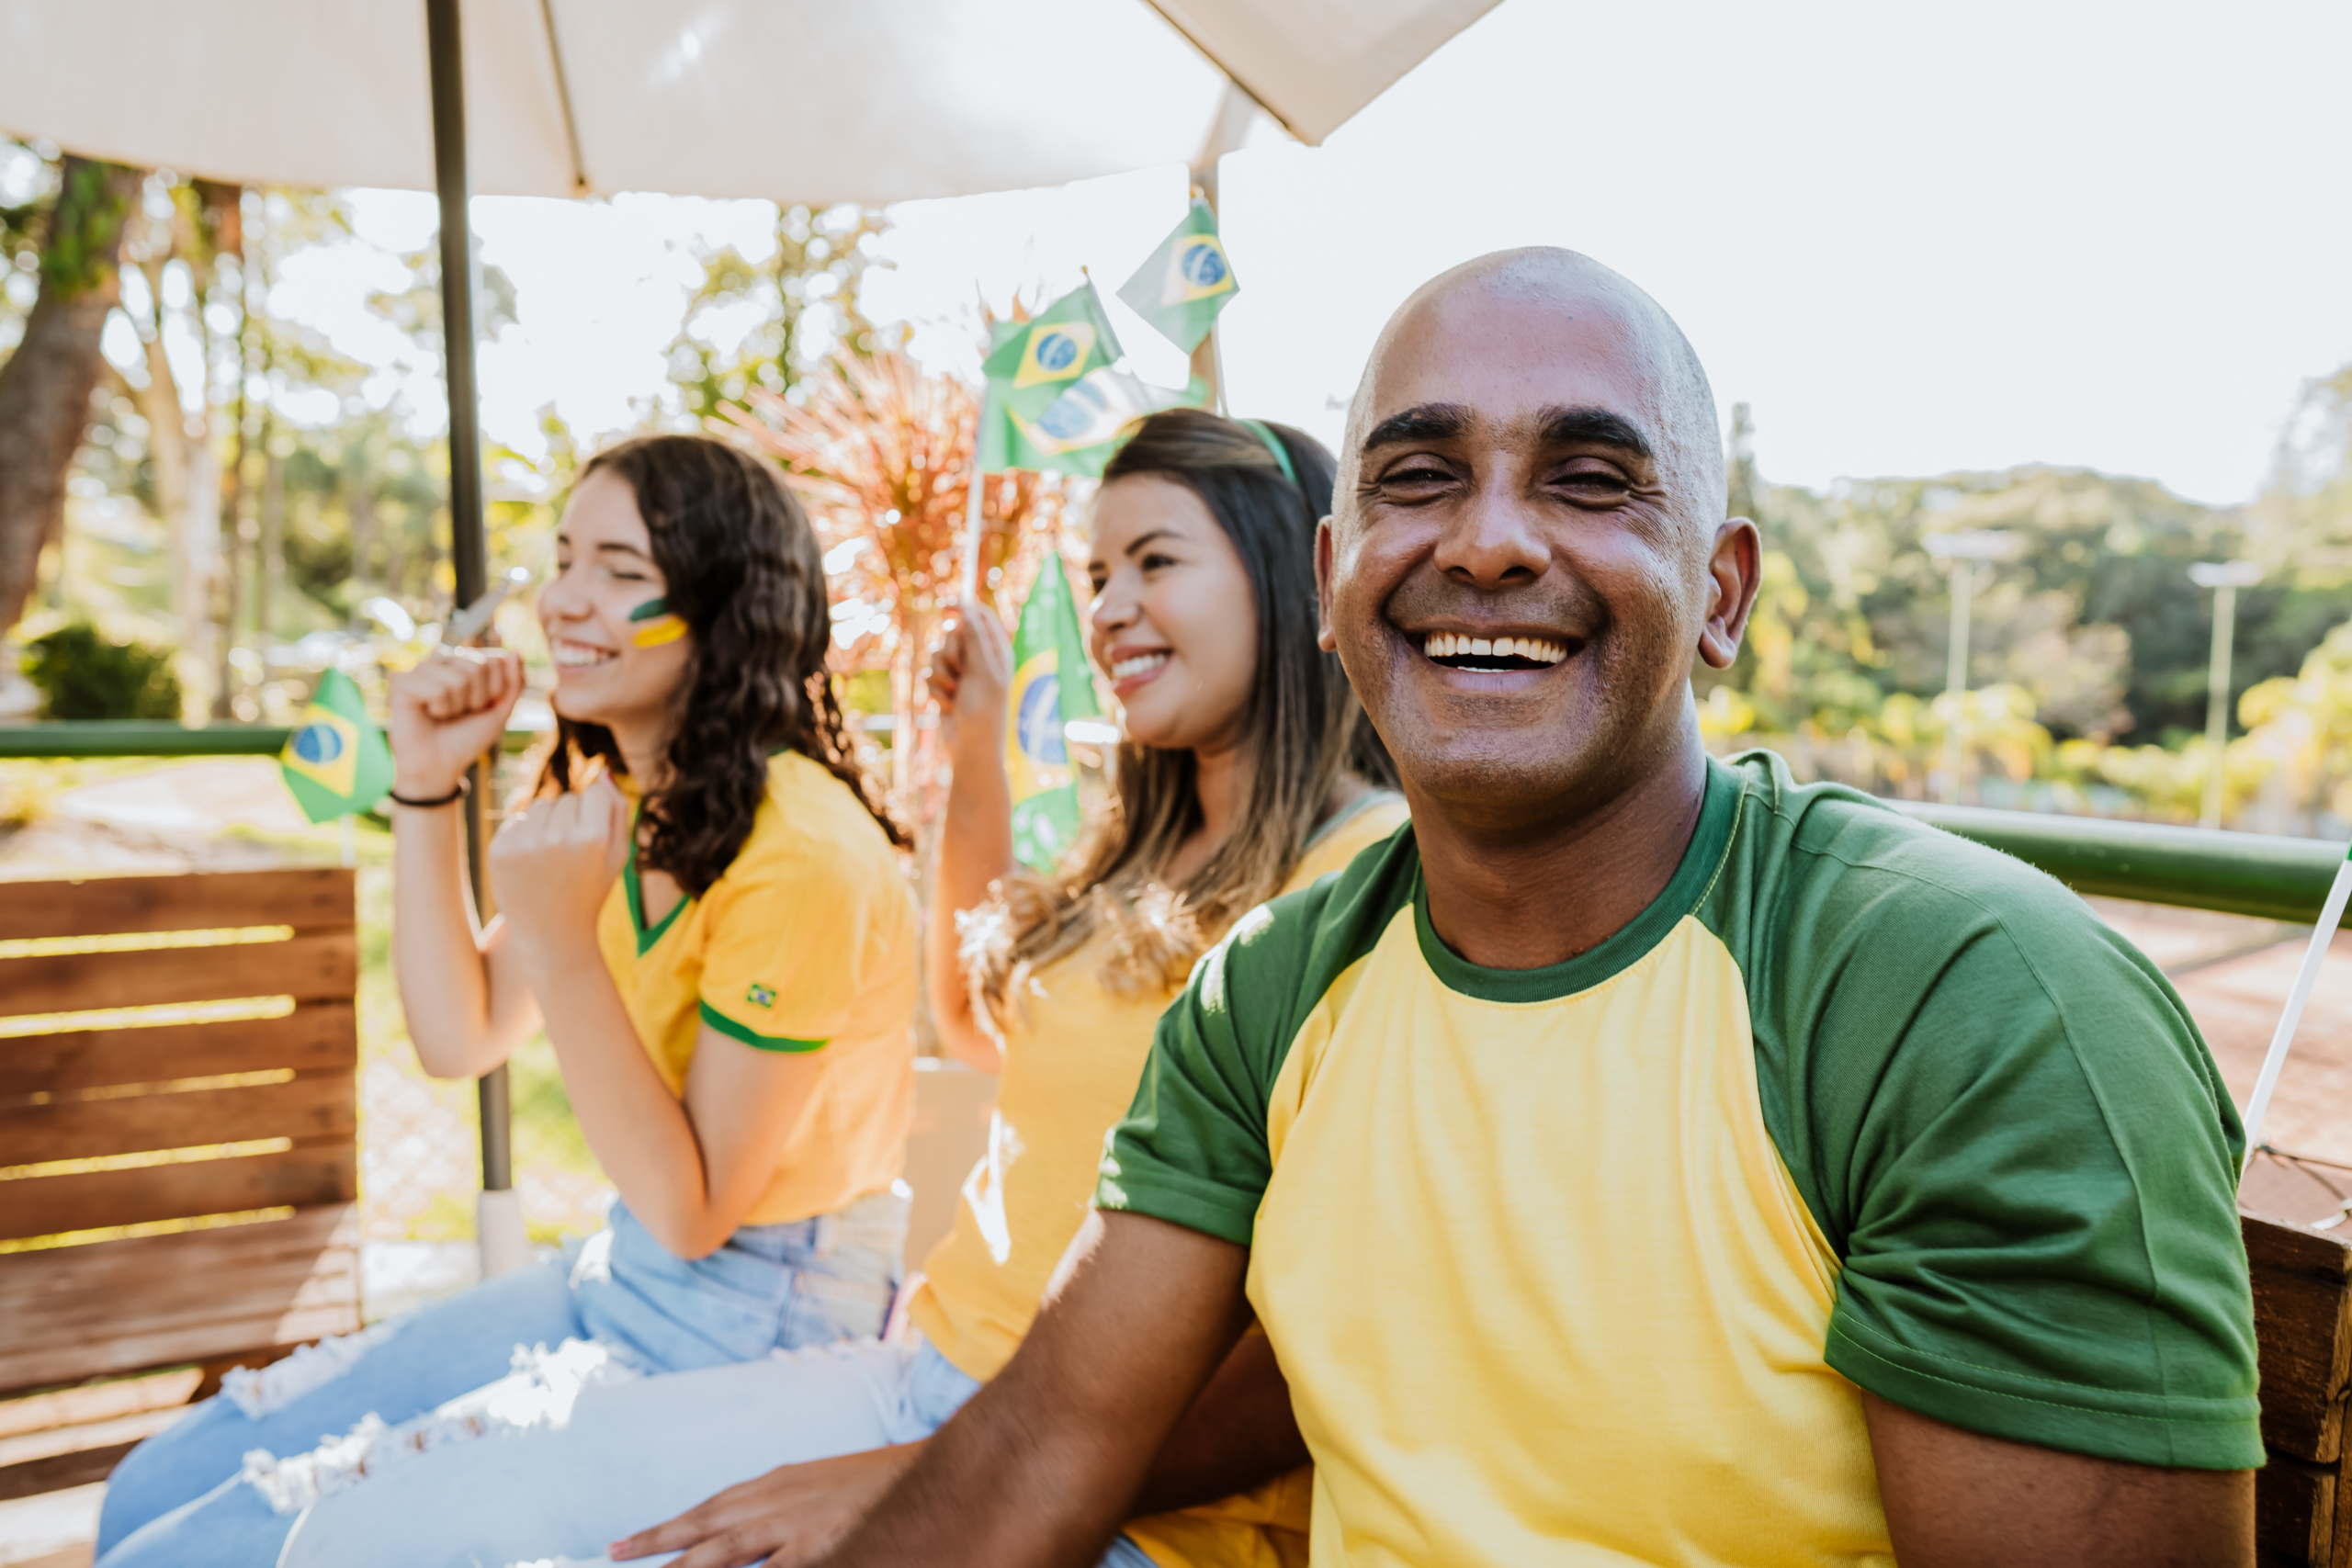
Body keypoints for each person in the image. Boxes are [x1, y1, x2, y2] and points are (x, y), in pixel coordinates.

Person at [786, 249, 2266, 1568]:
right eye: (1418, 476)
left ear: (1722, 595)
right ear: (1331, 578)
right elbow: (1043, 1448)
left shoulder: (1966, 994)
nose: (1487, 541)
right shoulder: (1272, 988)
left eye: (1592, 478)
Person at [267, 408, 1404, 1568]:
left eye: (1155, 562)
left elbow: (1316, 1352)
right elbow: (973, 1024)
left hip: (1120, 1503)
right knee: (354, 1536)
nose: (1108, 608)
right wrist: (969, 756)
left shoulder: (1364, 884)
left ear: (1296, 569)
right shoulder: (1151, 849)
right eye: (1097, 572)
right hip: (926, 1383)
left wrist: (944, 1465)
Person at [95, 434, 921, 1567]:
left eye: (622, 573)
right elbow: (459, 1033)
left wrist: (557, 940)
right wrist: (429, 783)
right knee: (154, 1488)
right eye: (564, 559)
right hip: (624, 1271)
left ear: (725, 607)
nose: (566, 602)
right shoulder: (621, 791)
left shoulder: (806, 854)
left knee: (182, 1558)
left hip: (756, 1322)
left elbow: (698, 1210)